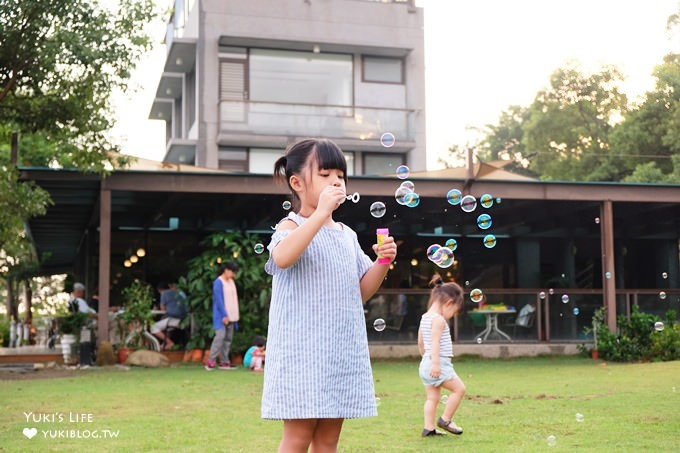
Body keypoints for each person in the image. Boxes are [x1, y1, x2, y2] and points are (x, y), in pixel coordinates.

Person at [262, 138, 397, 452]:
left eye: (341, 174)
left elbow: (360, 290)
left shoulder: (346, 236)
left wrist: (383, 262)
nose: (336, 180)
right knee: (297, 438)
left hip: (338, 353)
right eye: (325, 174)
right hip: (301, 356)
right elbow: (283, 257)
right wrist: (320, 214)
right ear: (297, 183)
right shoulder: (290, 225)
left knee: (328, 440)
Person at [418, 275, 466, 437]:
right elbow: (435, 342)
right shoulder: (438, 320)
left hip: (425, 363)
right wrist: (436, 364)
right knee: (459, 389)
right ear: (448, 303)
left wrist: (427, 360)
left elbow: (421, 343)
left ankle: (428, 428)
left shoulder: (425, 318)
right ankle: (446, 419)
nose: (452, 316)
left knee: (432, 398)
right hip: (438, 364)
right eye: (454, 312)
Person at [205, 262, 240, 370]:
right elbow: (219, 300)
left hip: (232, 316)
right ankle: (211, 361)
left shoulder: (231, 282)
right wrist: (224, 315)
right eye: (232, 272)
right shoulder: (218, 282)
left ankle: (225, 362)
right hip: (221, 316)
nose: (233, 275)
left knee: (228, 339)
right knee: (219, 338)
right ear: (226, 270)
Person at [151, 282, 188, 350]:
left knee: (153, 327)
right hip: (186, 320)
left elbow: (163, 309)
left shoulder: (164, 294)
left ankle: (169, 343)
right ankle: (164, 344)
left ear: (160, 290)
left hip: (174, 319)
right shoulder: (180, 293)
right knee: (168, 327)